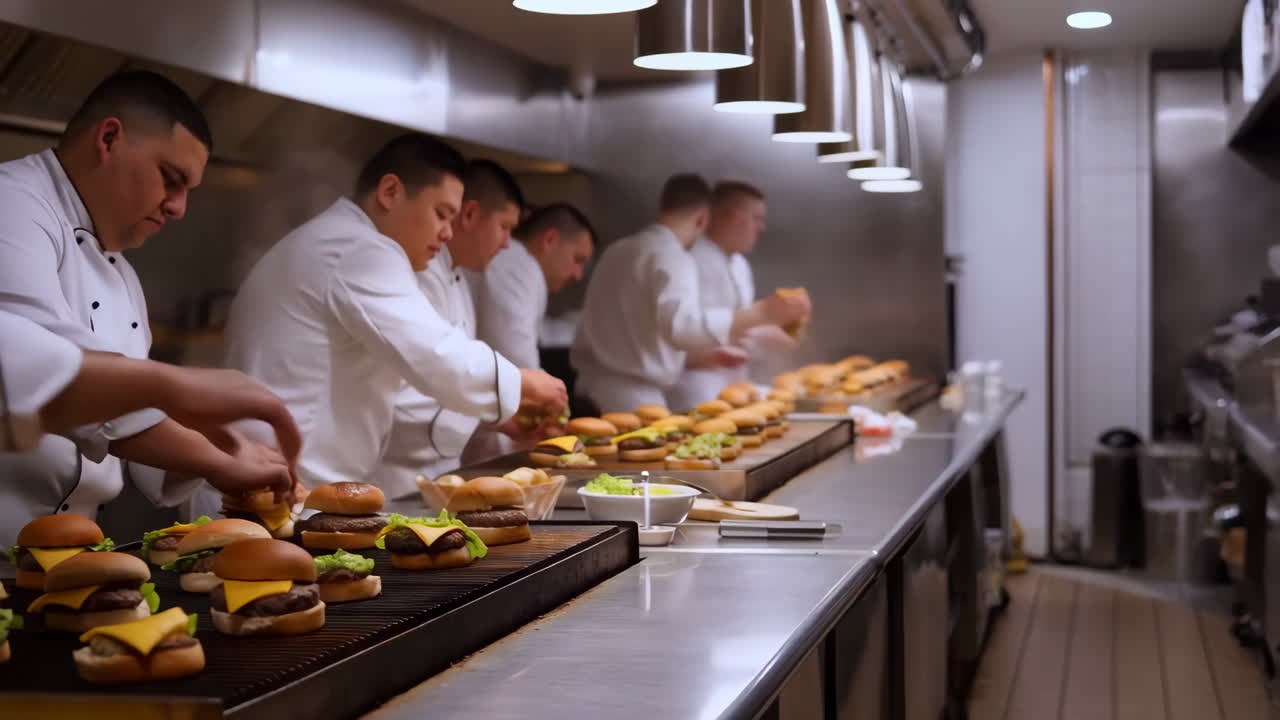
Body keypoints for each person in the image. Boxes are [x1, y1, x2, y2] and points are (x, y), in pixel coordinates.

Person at [0, 71, 294, 545]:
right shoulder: (12, 204)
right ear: (109, 139)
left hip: (73, 552)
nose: (179, 207)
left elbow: (135, 417)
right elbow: (48, 377)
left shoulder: (124, 278)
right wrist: (212, 452)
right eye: (171, 180)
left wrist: (226, 447)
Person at [224, 134, 567, 496]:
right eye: (440, 214)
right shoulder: (361, 248)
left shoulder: (339, 238)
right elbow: (434, 353)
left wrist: (500, 405)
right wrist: (522, 382)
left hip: (284, 478)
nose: (447, 233)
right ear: (389, 192)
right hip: (282, 484)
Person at [571, 174, 811, 413]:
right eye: (757, 218)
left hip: (595, 389)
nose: (761, 227)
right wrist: (762, 313)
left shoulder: (618, 249)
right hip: (636, 397)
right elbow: (683, 329)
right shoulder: (673, 256)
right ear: (703, 218)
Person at [374, 160, 543, 491]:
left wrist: (499, 418)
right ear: (471, 215)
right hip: (396, 473)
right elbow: (420, 379)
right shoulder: (417, 272)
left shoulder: (458, 277)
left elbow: (449, 382)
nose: (506, 244)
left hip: (440, 468)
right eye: (505, 227)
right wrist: (516, 388)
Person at [0, 311, 300, 480]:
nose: (177, 218)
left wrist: (216, 450)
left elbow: (35, 398)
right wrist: (168, 386)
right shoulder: (20, 224)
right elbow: (26, 383)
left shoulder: (124, 275)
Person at [667, 181, 797, 411]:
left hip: (735, 386)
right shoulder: (689, 261)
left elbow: (739, 326)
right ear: (733, 217)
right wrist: (705, 354)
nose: (762, 227)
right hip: (696, 390)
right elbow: (678, 332)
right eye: (757, 218)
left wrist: (774, 328)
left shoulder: (739, 264)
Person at [474, 202, 596, 371]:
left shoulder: (518, 263)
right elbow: (517, 360)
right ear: (549, 240)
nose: (578, 274)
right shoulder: (519, 264)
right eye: (578, 259)